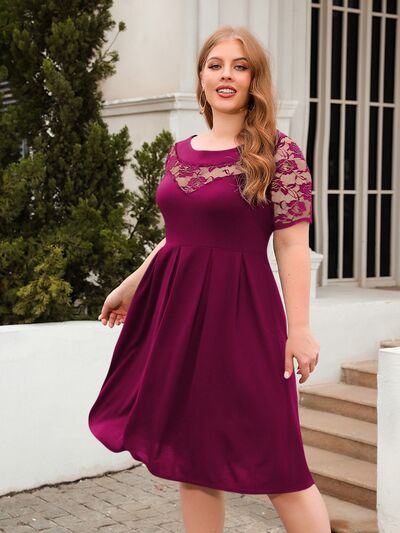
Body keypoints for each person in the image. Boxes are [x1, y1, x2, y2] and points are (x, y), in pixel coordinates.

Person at [88, 25, 331, 533]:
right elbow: (176, 238)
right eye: (215, 65)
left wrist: (301, 329)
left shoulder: (279, 153)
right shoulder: (180, 152)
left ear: (254, 79)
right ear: (201, 77)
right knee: (191, 456)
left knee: (279, 460)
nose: (226, 75)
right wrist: (130, 285)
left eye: (240, 67)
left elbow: (291, 244)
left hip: (244, 319)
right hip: (179, 319)